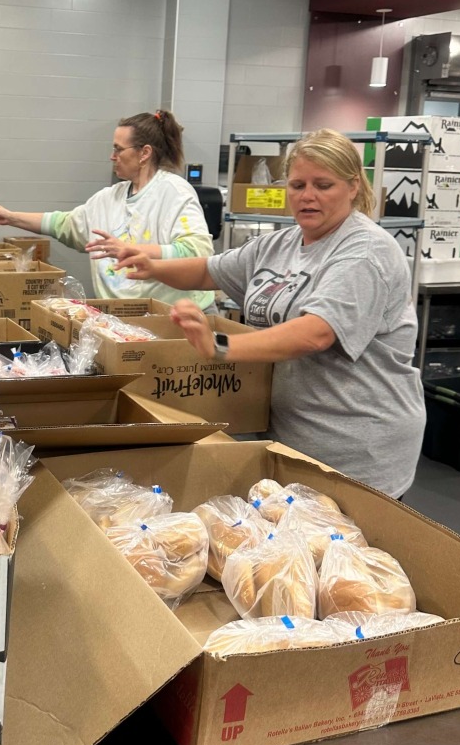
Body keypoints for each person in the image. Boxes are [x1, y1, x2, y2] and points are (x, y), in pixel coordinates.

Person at [115, 129, 425, 497]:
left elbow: (316, 333)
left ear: (353, 186)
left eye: (323, 185)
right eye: (297, 185)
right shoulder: (282, 243)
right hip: (290, 436)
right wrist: (151, 266)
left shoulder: (366, 251)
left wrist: (220, 346)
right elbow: (209, 270)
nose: (307, 196)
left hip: (355, 447)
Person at [0, 109, 216, 310]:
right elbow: (64, 224)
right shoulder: (109, 198)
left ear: (144, 153)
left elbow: (197, 253)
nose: (112, 157)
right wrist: (9, 217)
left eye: (119, 149)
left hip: (178, 316)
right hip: (125, 317)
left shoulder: (173, 192)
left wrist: (132, 250)